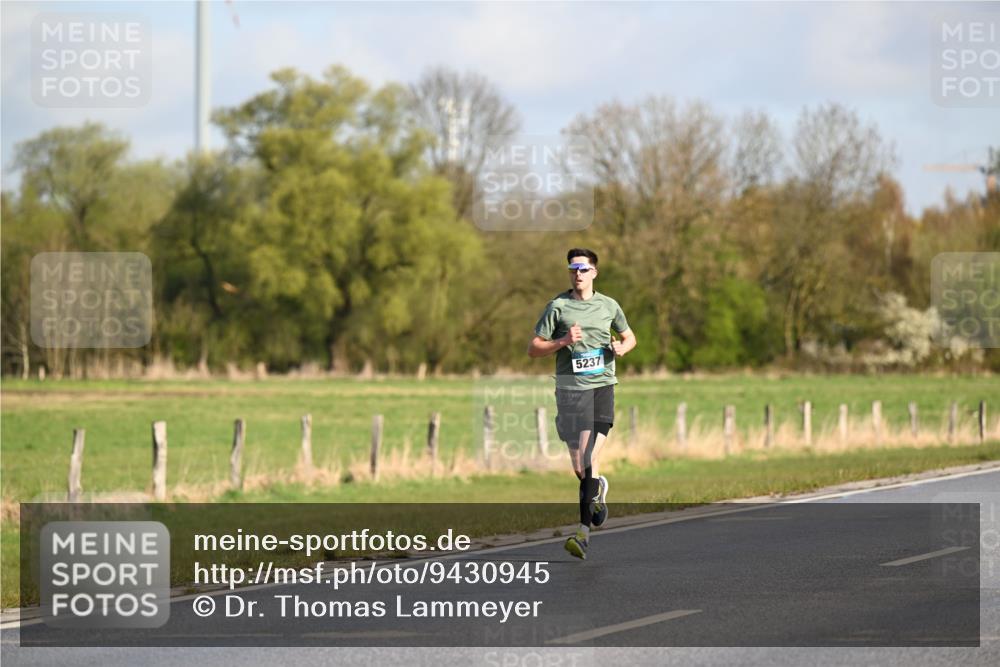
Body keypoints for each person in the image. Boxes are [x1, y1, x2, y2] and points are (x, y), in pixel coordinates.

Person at [527, 248, 636, 560]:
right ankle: (598, 488)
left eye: (584, 269)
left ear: (594, 273)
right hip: (569, 392)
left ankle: (582, 534)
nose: (578, 274)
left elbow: (630, 337)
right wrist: (562, 342)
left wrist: (622, 347)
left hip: (601, 388)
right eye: (573, 269)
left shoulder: (609, 306)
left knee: (588, 456)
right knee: (580, 467)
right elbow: (533, 349)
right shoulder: (557, 307)